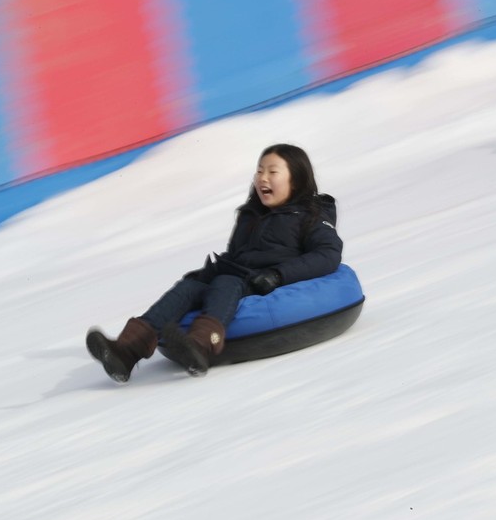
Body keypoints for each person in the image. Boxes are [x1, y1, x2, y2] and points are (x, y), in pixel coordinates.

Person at [86, 143, 343, 382]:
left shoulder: (311, 215)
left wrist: (278, 275)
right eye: (259, 170)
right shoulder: (250, 215)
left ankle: (200, 345)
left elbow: (328, 254)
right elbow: (236, 257)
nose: (262, 178)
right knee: (188, 288)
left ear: (296, 180)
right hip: (239, 276)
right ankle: (126, 351)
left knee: (226, 283)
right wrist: (204, 275)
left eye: (272, 172)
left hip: (267, 281)